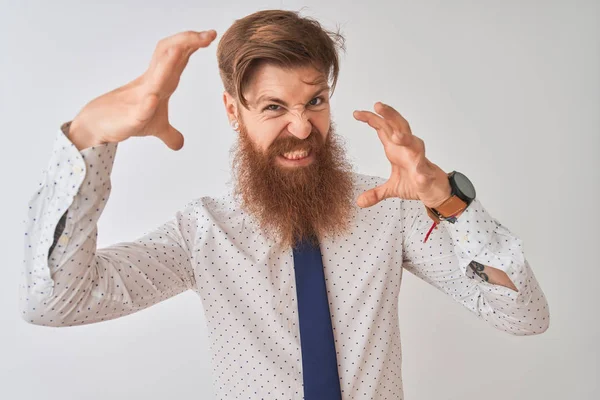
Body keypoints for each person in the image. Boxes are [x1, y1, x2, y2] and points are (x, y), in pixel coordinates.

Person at [20, 9, 549, 400]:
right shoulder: (202, 232)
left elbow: (524, 315)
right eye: (274, 107)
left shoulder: (390, 209)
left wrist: (448, 201)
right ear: (233, 111)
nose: (301, 128)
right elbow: (54, 303)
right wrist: (89, 139)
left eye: (314, 101)